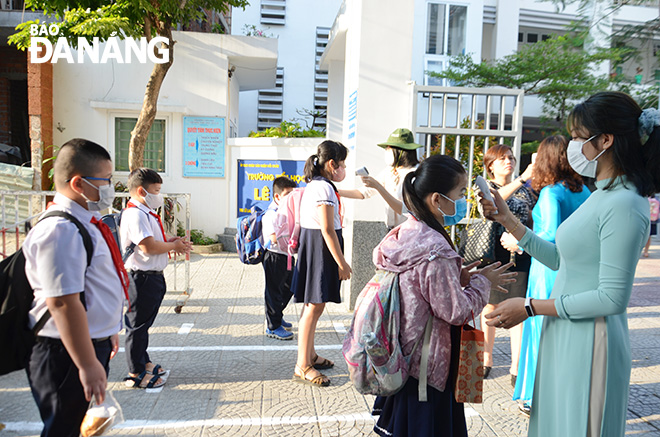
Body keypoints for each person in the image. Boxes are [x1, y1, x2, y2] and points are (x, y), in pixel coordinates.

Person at [482, 92, 660, 436]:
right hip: (567, 330)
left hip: (592, 341)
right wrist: (511, 223)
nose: (572, 147)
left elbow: (611, 298)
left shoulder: (624, 203)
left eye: (579, 138)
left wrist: (531, 307)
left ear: (605, 140)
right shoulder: (604, 194)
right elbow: (564, 260)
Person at [371, 154, 516, 436]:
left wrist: (459, 277)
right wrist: (483, 283)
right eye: (460, 193)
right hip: (430, 366)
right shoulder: (436, 247)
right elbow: (456, 311)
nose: (464, 201)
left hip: (406, 357)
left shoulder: (406, 232)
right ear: (437, 200)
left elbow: (421, 289)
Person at [23, 138, 127, 436]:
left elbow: (92, 284)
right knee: (63, 429)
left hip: (87, 342)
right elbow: (63, 302)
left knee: (78, 426)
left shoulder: (83, 221)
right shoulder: (60, 230)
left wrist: (107, 329)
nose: (110, 187)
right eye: (106, 180)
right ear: (79, 183)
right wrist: (86, 363)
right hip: (64, 352)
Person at [500, 136, 590, 417]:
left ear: (548, 158)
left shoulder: (552, 193)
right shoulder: (582, 190)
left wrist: (518, 241)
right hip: (575, 272)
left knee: (542, 334)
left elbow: (550, 236)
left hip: (548, 271)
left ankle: (537, 396)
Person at [120, 168, 191, 389]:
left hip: (151, 277)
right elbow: (148, 246)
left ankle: (144, 361)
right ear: (142, 191)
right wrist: (173, 246)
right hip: (141, 278)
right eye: (157, 190)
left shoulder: (145, 212)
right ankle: (136, 372)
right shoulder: (135, 214)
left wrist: (171, 240)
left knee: (144, 324)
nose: (160, 195)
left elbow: (154, 239)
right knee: (137, 326)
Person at [292, 140, 352, 387]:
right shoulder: (324, 189)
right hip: (321, 247)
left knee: (315, 305)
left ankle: (310, 355)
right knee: (314, 306)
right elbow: (327, 229)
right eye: (343, 164)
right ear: (332, 164)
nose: (344, 169)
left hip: (316, 245)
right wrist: (342, 263)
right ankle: (302, 365)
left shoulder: (317, 185)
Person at [477, 144, 535, 384]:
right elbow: (490, 204)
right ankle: (486, 358)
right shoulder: (485, 186)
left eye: (511, 157)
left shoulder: (529, 190)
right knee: (488, 306)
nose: (508, 162)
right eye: (501, 159)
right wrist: (522, 179)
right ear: (490, 165)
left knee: (518, 307)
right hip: (493, 252)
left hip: (520, 251)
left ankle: (516, 365)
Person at [340, 128, 422, 229]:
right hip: (391, 229)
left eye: (389, 148)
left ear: (400, 151)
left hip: (410, 230)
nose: (386, 151)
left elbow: (406, 209)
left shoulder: (415, 173)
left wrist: (378, 187)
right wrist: (336, 191)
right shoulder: (389, 171)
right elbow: (364, 193)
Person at [262, 176, 298, 340]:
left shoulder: (287, 212)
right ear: (277, 197)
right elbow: (274, 238)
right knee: (273, 291)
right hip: (275, 256)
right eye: (288, 194)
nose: (291, 198)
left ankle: (277, 314)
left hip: (287, 255)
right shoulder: (272, 214)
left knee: (291, 285)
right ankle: (273, 326)